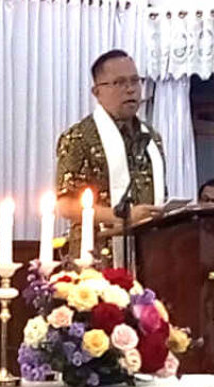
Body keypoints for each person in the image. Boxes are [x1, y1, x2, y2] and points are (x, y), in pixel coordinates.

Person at [54, 50, 166, 260]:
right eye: (120, 82)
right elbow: (65, 205)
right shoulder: (79, 137)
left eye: (135, 81)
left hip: (148, 251)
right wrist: (122, 217)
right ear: (97, 92)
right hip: (96, 255)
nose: (130, 89)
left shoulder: (151, 138)